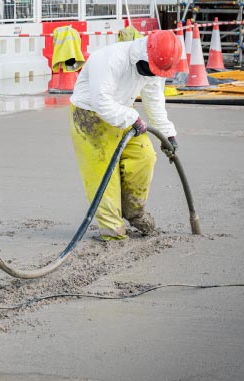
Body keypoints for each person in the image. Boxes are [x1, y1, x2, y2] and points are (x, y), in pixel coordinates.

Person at [68, 31, 183, 241]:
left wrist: (167, 133)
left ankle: (134, 212)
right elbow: (101, 102)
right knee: (104, 175)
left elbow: (154, 99)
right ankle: (112, 229)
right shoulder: (110, 59)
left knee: (144, 157)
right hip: (90, 117)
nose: (152, 74)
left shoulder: (155, 65)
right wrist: (131, 118)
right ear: (145, 54)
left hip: (124, 114)